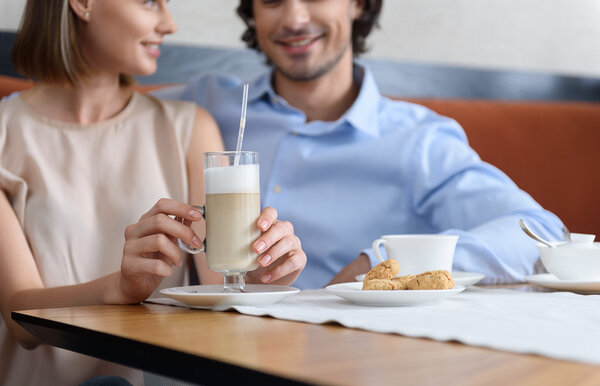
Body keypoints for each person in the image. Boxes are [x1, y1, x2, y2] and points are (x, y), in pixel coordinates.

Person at [0, 0, 306, 386]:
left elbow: (223, 287)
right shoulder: (6, 135)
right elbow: (19, 318)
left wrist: (264, 275)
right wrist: (119, 289)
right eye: (149, 2)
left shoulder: (188, 128)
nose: (170, 23)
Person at [157, 0, 564, 289]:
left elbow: (541, 233)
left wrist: (381, 261)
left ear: (358, 3)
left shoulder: (418, 141)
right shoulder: (205, 104)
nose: (295, 18)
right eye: (272, 0)